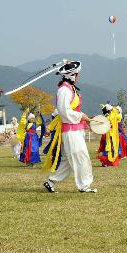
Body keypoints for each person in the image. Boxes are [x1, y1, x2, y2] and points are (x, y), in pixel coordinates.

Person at [43, 60, 96, 193]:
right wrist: (81, 116)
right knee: (80, 156)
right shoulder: (64, 90)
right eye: (77, 74)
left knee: (68, 160)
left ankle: (51, 181)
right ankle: (84, 186)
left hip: (74, 130)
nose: (78, 76)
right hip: (71, 130)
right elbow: (64, 111)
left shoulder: (69, 88)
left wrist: (83, 118)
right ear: (72, 75)